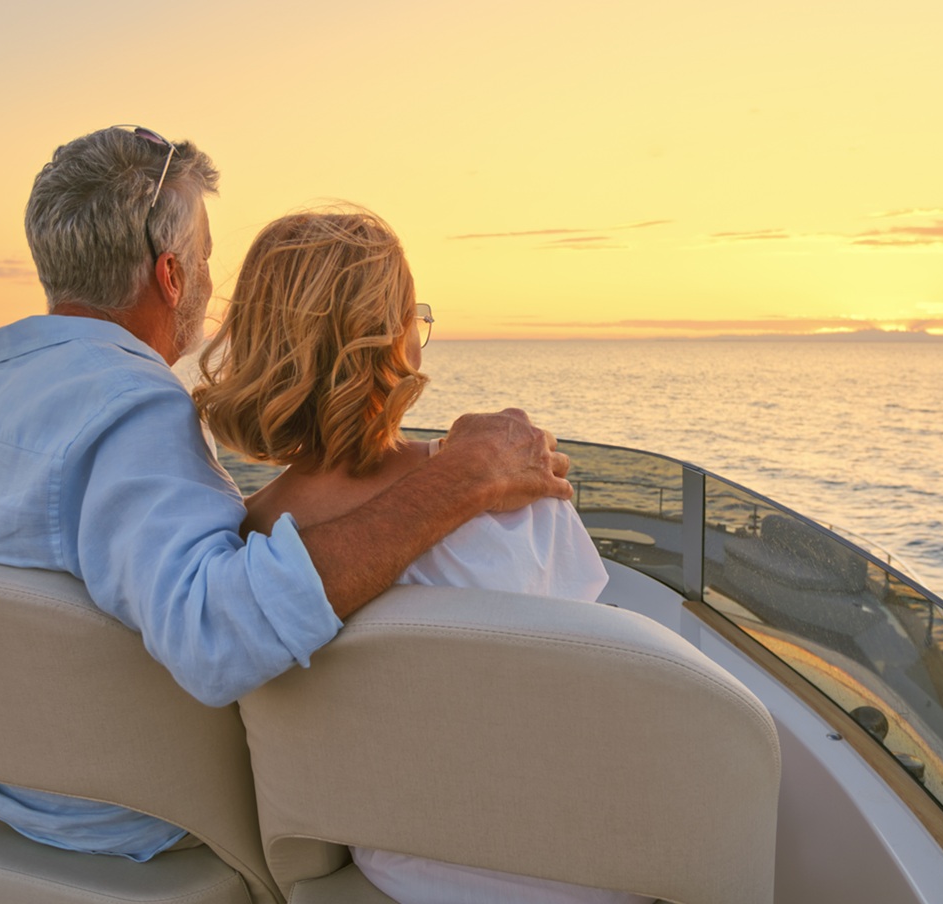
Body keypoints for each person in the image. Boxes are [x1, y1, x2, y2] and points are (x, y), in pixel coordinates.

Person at [0, 127, 573, 862]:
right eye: (204, 257)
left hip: (5, 783)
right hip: (132, 816)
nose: (206, 278)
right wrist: (460, 477)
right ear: (170, 276)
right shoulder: (130, 405)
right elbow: (216, 637)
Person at [194, 207, 650, 904]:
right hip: (577, 870)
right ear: (396, 340)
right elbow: (594, 689)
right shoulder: (512, 495)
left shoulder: (251, 546)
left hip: (402, 870)